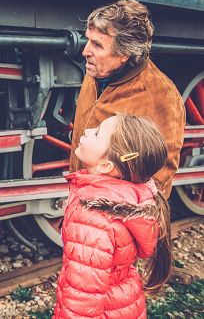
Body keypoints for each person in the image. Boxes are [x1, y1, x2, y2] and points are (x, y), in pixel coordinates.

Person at [53, 113, 173, 318]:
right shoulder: (129, 197)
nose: (88, 131)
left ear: (106, 166)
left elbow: (83, 301)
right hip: (122, 303)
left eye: (97, 133)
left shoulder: (92, 219)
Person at [70, 0, 185, 198]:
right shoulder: (98, 72)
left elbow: (160, 170)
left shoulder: (161, 94)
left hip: (116, 212)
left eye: (97, 45)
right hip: (85, 196)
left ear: (125, 53)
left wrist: (113, 208)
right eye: (88, 39)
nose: (85, 51)